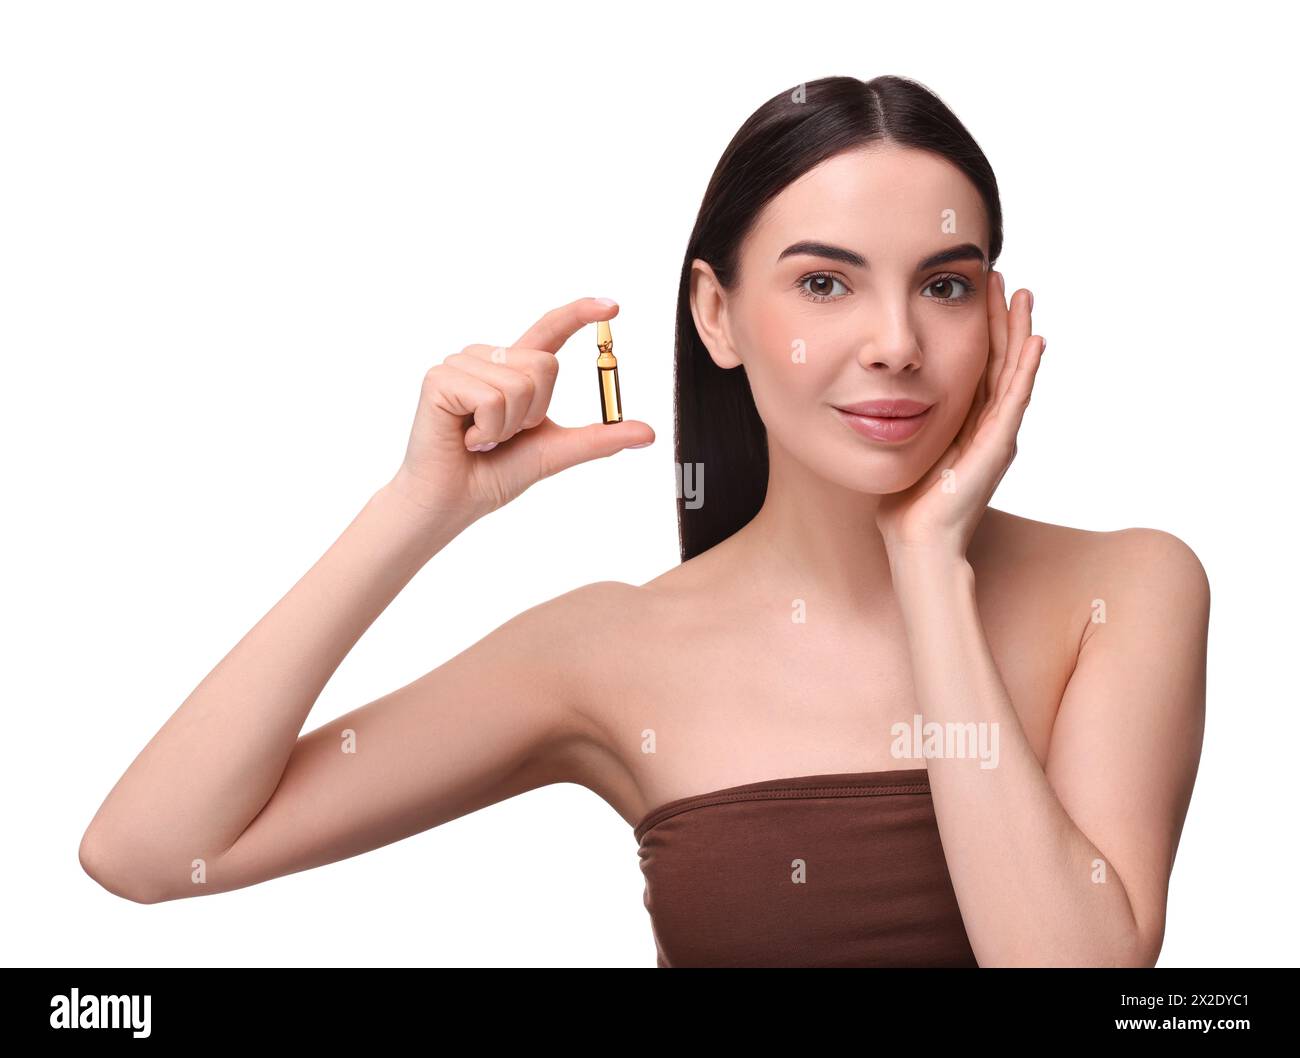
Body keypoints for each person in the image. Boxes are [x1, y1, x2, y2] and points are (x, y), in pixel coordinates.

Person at [78, 75, 1209, 968]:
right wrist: (418, 509)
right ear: (717, 314)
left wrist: (926, 562)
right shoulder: (608, 648)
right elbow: (149, 849)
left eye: (945, 285)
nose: (895, 342)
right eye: (825, 283)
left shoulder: (1127, 588)